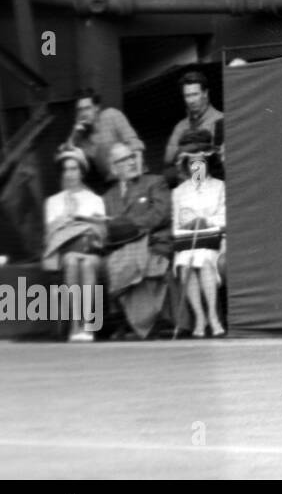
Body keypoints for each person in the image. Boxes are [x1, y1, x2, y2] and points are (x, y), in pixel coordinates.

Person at [102, 143, 173, 340]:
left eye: (132, 157)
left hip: (153, 241)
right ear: (114, 168)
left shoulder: (154, 182)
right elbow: (106, 228)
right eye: (124, 160)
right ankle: (134, 322)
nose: (132, 161)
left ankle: (142, 323)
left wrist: (126, 225)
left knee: (133, 260)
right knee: (112, 262)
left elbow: (161, 214)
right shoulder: (108, 197)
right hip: (120, 248)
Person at [42, 147, 106, 342]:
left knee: (86, 263)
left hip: (90, 251)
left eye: (74, 169)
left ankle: (87, 325)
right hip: (65, 254)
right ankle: (75, 325)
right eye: (66, 169)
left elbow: (102, 234)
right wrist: (67, 216)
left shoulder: (95, 199)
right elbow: (50, 235)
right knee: (71, 260)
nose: (69, 174)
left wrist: (85, 225)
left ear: (82, 171)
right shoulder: (53, 201)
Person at [171, 129, 226, 338]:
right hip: (187, 245)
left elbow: (223, 218)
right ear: (186, 163)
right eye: (192, 161)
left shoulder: (220, 187)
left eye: (200, 160)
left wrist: (205, 222)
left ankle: (213, 316)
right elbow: (175, 225)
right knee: (185, 263)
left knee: (202, 260)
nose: (197, 164)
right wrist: (188, 226)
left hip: (213, 242)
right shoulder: (179, 192)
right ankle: (200, 317)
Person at [62, 89, 144, 188]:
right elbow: (65, 157)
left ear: (96, 108)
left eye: (87, 108)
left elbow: (135, 145)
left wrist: (139, 179)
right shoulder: (81, 136)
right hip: (113, 183)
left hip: (135, 173)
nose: (83, 113)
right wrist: (74, 135)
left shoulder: (111, 115)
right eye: (80, 110)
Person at [164, 70, 224, 167]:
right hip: (188, 178)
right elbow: (168, 159)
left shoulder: (221, 120)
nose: (191, 100)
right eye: (188, 96)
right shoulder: (180, 127)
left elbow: (220, 159)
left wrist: (185, 149)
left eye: (195, 94)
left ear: (205, 93)